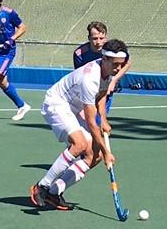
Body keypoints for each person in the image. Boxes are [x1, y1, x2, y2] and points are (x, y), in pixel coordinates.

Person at [30, 39, 129, 210]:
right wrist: (107, 152)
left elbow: (102, 96)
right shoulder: (89, 78)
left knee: (94, 155)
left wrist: (103, 120)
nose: (118, 69)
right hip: (56, 103)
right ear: (104, 59)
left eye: (121, 64)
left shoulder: (108, 72)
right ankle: (42, 186)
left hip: (72, 108)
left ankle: (55, 192)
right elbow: (91, 122)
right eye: (115, 64)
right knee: (80, 144)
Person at [72, 21, 132, 116]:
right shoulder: (79, 53)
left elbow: (127, 64)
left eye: (101, 38)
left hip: (105, 87)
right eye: (95, 38)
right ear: (89, 38)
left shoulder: (113, 50)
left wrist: (113, 81)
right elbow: (79, 75)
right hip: (88, 89)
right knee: (85, 119)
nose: (98, 42)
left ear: (106, 38)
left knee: (99, 118)